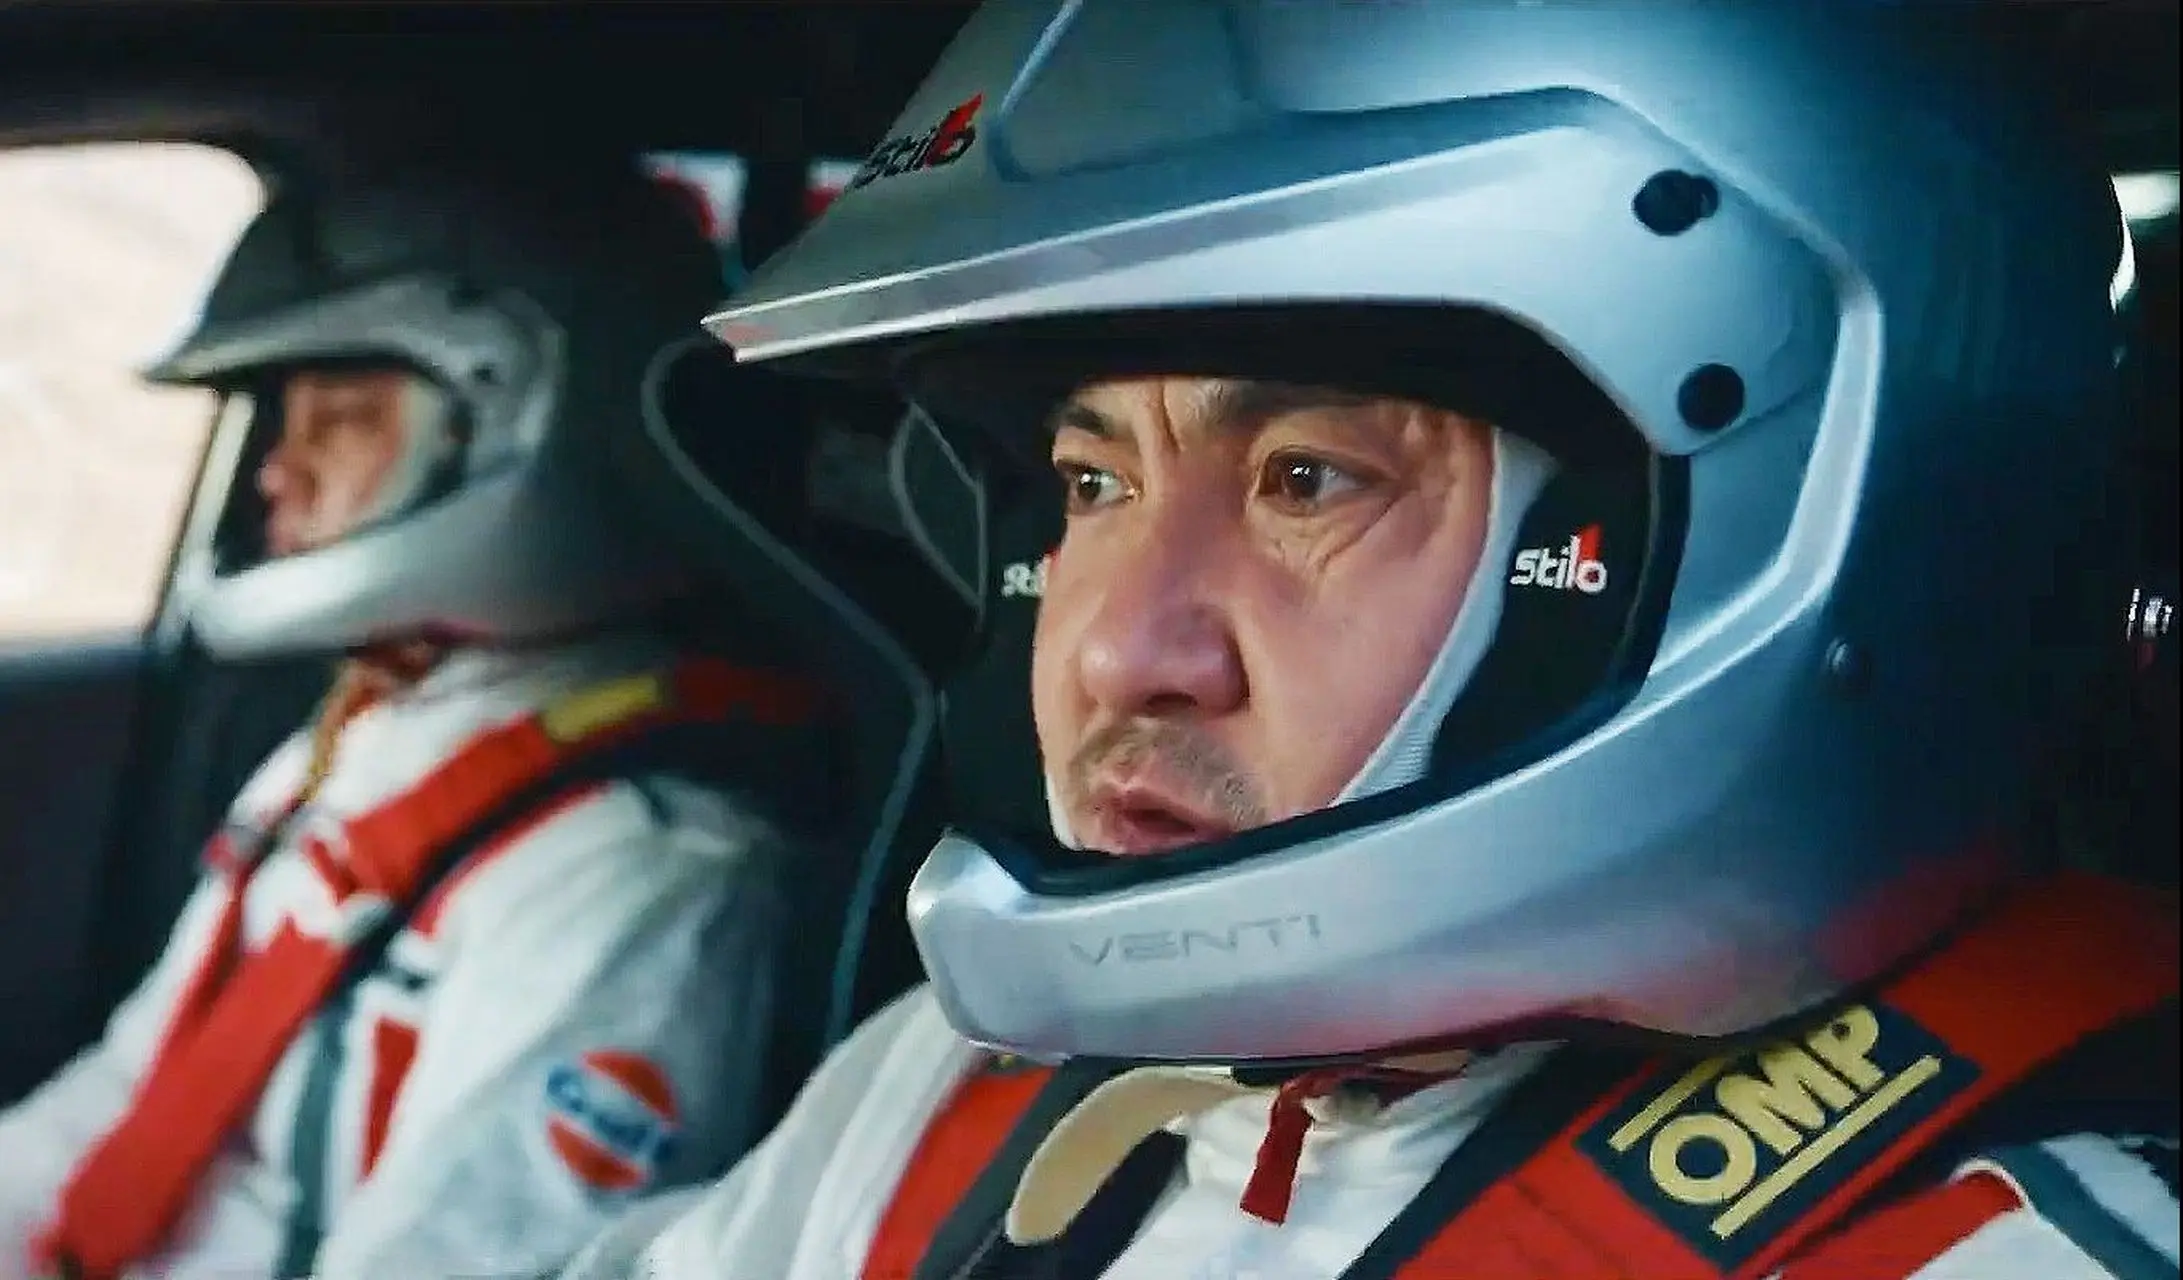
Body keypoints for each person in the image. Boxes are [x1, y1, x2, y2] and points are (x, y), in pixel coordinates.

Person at [567, 4, 2178, 1278]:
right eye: (1090, 484)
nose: (1119, 652)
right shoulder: (941, 1092)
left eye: (1303, 482)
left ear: (1701, 548)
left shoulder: (2001, 1247)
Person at [0, 161, 825, 1280]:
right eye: (285, 419)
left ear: (522, 433)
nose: (276, 473)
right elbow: (126, 1087)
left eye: (341, 421)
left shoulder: (641, 871)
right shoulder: (354, 743)